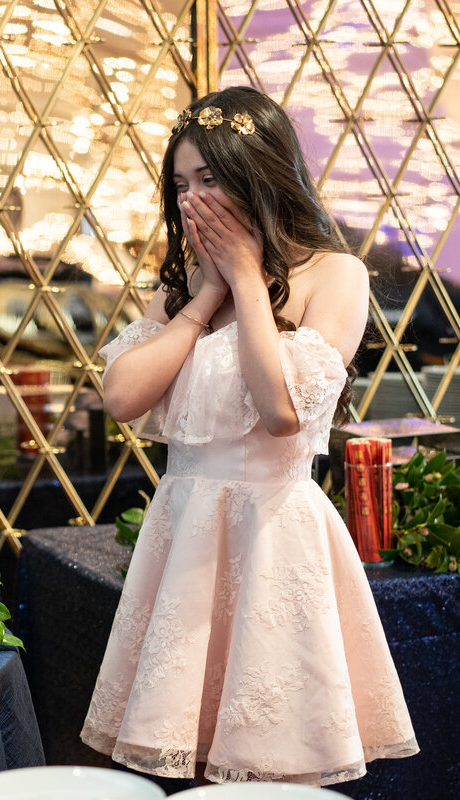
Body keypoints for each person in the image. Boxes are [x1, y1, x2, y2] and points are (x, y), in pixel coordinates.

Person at [80, 86, 418, 787]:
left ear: (258, 173)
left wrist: (245, 277)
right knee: (188, 759)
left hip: (273, 535)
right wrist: (205, 296)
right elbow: (120, 397)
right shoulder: (180, 292)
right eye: (180, 183)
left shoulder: (335, 275)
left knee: (270, 762)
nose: (191, 199)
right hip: (184, 536)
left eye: (209, 178)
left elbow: (282, 411)